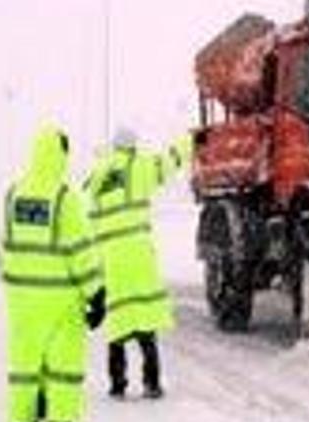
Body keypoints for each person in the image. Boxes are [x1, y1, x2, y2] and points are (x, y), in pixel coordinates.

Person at [1, 123, 105, 422]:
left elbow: (9, 251)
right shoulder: (64, 199)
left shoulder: (12, 195)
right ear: (61, 155)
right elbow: (80, 252)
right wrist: (96, 293)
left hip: (23, 308)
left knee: (24, 377)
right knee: (63, 380)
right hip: (61, 308)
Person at [84, 128, 193, 399]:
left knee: (118, 321)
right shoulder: (138, 167)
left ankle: (118, 384)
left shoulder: (97, 179)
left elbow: (90, 225)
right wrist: (191, 140)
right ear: (132, 147)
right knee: (145, 319)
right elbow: (169, 161)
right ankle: (152, 383)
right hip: (138, 256)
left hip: (111, 258)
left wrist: (94, 276)